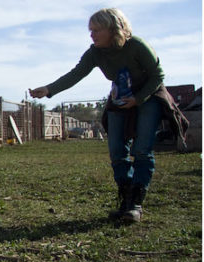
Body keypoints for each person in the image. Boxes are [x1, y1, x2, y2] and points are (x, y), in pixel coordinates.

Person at [29, 8, 188, 223]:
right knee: (116, 151)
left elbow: (157, 75)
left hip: (147, 96)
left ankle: (135, 204)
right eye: (90, 30)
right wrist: (49, 89)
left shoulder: (137, 46)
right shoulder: (95, 52)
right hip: (120, 97)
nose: (91, 34)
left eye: (96, 30)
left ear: (113, 29)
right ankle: (126, 200)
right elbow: (76, 73)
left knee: (142, 149)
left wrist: (138, 98)